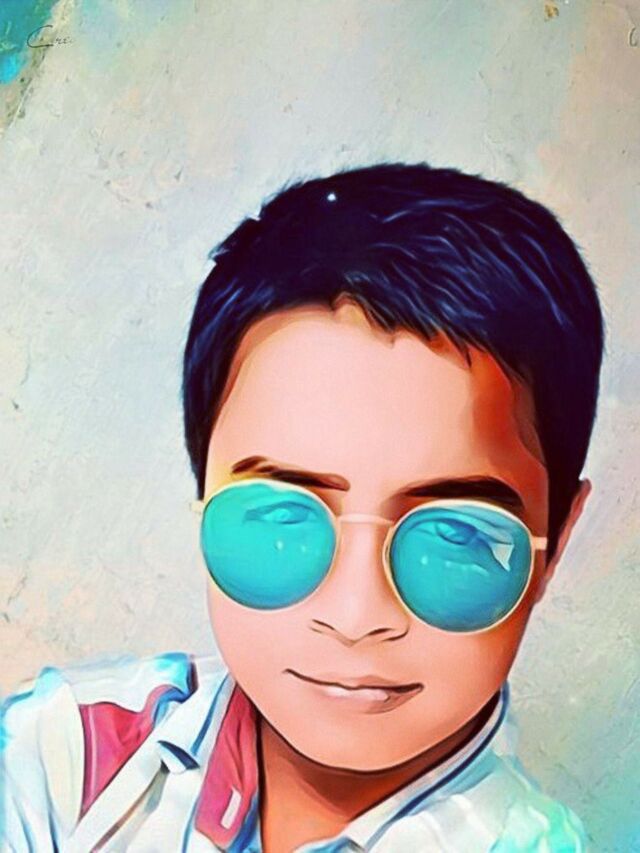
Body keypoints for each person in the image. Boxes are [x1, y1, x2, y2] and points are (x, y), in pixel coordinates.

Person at [1, 163, 603, 852]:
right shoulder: (64, 759)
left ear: (555, 541)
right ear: (203, 495)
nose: (356, 615)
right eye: (282, 516)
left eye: (455, 535)